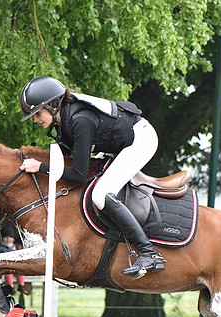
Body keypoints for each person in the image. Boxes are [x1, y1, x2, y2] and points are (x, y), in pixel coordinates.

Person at [18, 75, 165, 278]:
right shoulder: (64, 122)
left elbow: (77, 175)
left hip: (140, 141)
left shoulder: (80, 121)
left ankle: (149, 253)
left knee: (101, 194)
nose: (35, 120)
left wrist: (41, 167)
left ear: (52, 105)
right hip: (119, 144)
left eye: (37, 113)